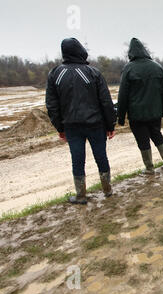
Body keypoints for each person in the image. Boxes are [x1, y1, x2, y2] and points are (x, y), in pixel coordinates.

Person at [46, 38, 116, 204]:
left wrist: (59, 128)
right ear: (80, 50)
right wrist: (110, 124)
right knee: (101, 156)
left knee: (77, 160)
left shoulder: (55, 74)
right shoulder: (93, 72)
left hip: (71, 126)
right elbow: (106, 101)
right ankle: (108, 190)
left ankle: (81, 195)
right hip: (95, 124)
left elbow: (52, 105)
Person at [117, 38, 163, 174]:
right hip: (155, 113)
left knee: (143, 141)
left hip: (136, 115)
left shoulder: (128, 69)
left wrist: (120, 116)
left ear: (130, 53)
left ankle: (149, 168)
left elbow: (123, 95)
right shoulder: (158, 67)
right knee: (157, 135)